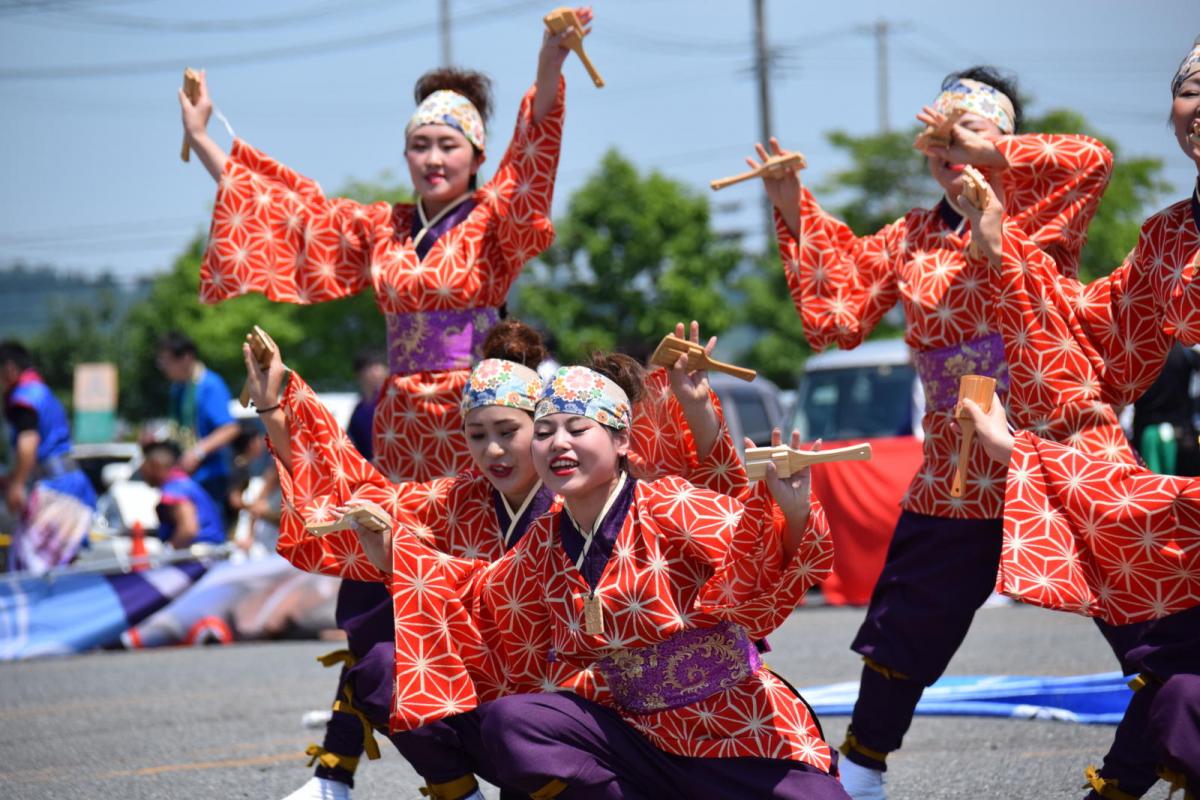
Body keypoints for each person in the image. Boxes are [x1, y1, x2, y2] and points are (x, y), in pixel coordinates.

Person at [750, 67, 1126, 798]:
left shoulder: (1039, 208)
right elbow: (837, 316)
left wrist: (984, 154)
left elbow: (1093, 158)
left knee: (1131, 606)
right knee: (906, 619)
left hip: (1049, 442)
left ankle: (1156, 751)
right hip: (956, 466)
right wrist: (792, 200)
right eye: (940, 135)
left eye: (969, 131)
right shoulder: (912, 236)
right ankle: (862, 767)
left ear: (1004, 139)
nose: (950, 146)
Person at [266, 350, 846, 799]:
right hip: (625, 729)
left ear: (622, 441)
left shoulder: (670, 503)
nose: (555, 444)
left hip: (728, 728)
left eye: (575, 429)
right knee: (509, 720)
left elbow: (753, 571)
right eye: (545, 432)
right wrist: (398, 554)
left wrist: (792, 512)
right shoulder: (540, 538)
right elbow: (477, 595)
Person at [180, 8, 592, 486]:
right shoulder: (381, 226)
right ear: (405, 154)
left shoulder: (494, 218)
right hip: (400, 417)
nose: (433, 159)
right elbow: (286, 212)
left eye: (448, 145)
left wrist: (549, 61)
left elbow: (530, 152)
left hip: (481, 408)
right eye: (420, 145)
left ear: (477, 156)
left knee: (487, 525)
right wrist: (201, 137)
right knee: (406, 526)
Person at [960, 394, 1199, 800]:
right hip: (1089, 459)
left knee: (1180, 688)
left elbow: (1160, 505)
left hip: (1091, 457)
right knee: (1175, 668)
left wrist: (1015, 450)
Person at [0, 341, 96, 574]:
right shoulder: (43, 392)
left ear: (9, 368)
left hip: (56, 491)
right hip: (70, 484)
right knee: (60, 566)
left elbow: (28, 441)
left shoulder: (24, 397)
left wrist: (17, 484)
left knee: (31, 566)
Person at [156, 331, 239, 516]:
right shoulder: (178, 389)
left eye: (167, 361)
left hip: (210, 478)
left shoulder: (210, 384)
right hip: (186, 478)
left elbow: (230, 428)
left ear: (186, 358)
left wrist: (198, 452)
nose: (163, 367)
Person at [141, 440, 227, 549]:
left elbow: (188, 529)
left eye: (145, 466)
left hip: (200, 552)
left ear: (156, 466)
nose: (142, 472)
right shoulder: (182, 482)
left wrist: (168, 550)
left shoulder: (174, 489)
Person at [346, 351, 387, 464]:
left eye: (380, 366)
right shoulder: (359, 409)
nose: (376, 372)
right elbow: (353, 443)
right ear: (359, 373)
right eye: (371, 367)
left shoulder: (389, 403)